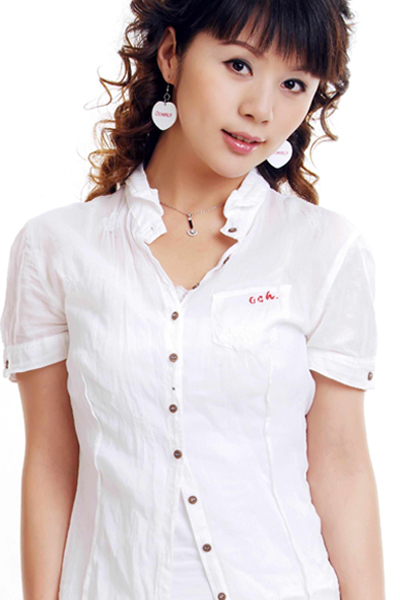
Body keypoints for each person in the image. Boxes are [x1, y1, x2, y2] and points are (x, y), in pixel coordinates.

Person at [0, 0, 385, 599]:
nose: (261, 109)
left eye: (293, 84)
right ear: (171, 55)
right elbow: (51, 466)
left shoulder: (326, 251)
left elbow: (340, 465)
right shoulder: (55, 249)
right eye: (238, 65)